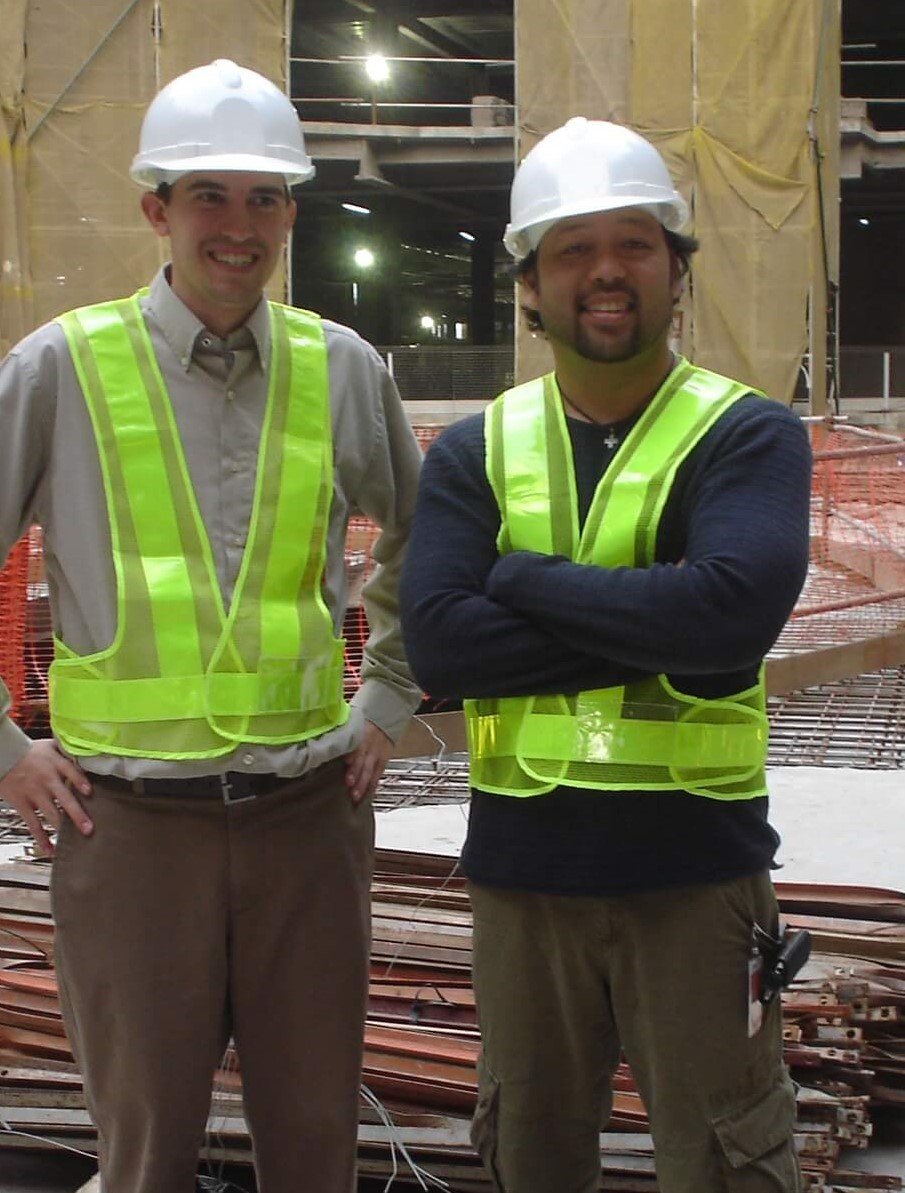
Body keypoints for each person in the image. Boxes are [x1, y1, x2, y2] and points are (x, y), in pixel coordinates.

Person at [0, 59, 422, 1193]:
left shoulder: (342, 371)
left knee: (315, 1146)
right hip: (129, 830)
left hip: (306, 820)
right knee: (142, 1155)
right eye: (210, 196)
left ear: (291, 213)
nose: (240, 227)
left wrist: (388, 690)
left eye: (266, 198)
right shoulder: (63, 367)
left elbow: (428, 542)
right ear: (157, 209)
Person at [399, 116, 810, 1193]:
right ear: (530, 286)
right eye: (573, 249)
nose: (606, 270)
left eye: (634, 242)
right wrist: (647, 612)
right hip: (524, 882)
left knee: (727, 1160)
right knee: (531, 1156)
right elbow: (441, 641)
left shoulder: (746, 434)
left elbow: (726, 614)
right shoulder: (475, 447)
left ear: (676, 268)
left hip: (698, 877)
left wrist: (521, 579)